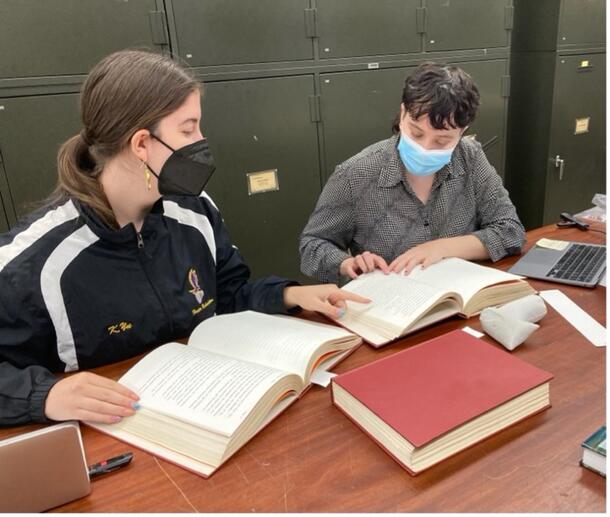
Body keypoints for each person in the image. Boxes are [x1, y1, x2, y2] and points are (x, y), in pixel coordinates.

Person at [0, 50, 368, 427]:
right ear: (141, 144)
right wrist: (44, 395)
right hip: (117, 439)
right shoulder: (35, 261)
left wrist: (289, 295)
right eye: (188, 129)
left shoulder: (195, 211)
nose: (202, 141)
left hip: (211, 411)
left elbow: (224, 297)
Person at [300, 62, 526, 283]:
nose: (425, 148)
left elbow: (511, 231)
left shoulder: (470, 157)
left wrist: (443, 248)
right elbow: (313, 245)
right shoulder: (355, 174)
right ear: (402, 113)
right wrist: (346, 263)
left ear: (462, 131)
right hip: (393, 306)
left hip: (459, 298)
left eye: (442, 140)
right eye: (416, 133)